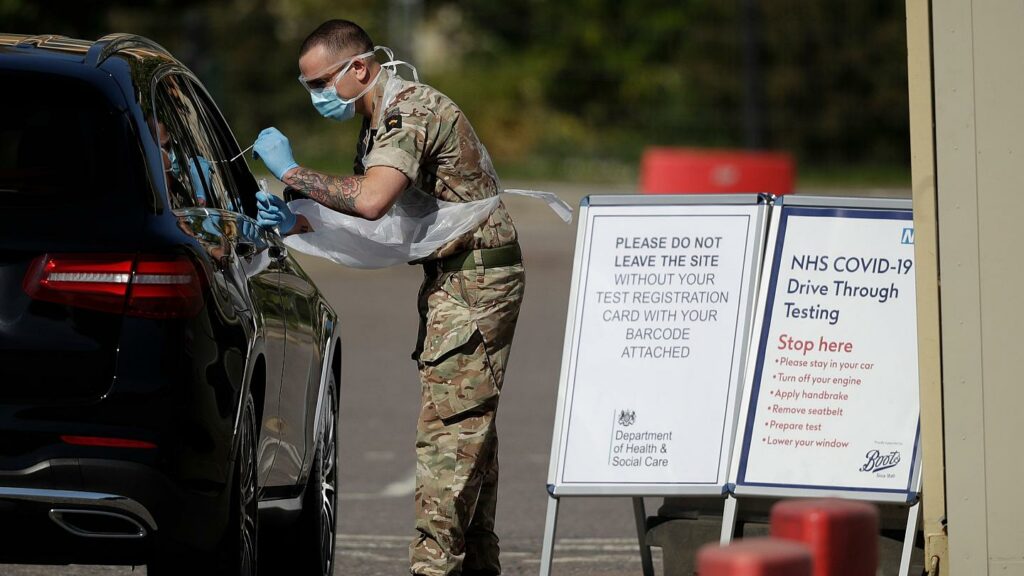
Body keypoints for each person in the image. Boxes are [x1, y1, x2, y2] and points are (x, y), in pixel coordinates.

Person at [251, 19, 524, 576]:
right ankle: (477, 565)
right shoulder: (376, 121)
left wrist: (293, 172)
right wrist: (300, 221)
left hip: (475, 279)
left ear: (359, 67)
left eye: (320, 83)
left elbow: (373, 201)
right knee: (469, 431)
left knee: (448, 435)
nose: (317, 97)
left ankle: (433, 570)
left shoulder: (408, 112)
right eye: (308, 87)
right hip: (454, 276)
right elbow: (389, 225)